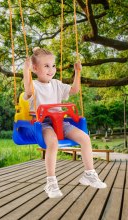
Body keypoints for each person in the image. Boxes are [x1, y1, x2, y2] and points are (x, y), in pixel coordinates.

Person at [23, 47, 107, 199]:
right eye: (46, 66)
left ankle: (89, 174)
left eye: (53, 65)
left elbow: (74, 90)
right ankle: (51, 182)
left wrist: (78, 72)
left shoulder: (56, 84)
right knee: (53, 143)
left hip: (60, 121)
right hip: (42, 123)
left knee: (85, 138)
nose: (51, 69)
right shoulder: (33, 85)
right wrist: (25, 70)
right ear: (35, 68)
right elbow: (27, 90)